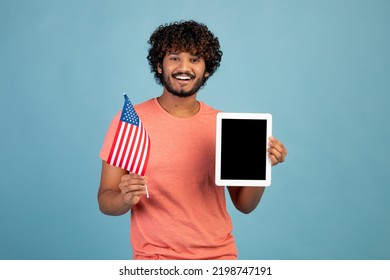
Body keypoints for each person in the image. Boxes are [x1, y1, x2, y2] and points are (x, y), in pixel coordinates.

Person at [98, 20, 287, 260]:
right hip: (155, 259)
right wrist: (124, 199)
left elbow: (244, 205)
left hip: (219, 259)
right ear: (159, 65)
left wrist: (263, 165)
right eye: (174, 57)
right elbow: (106, 199)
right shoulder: (130, 121)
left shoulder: (226, 125)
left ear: (206, 69)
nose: (184, 67)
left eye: (195, 59)